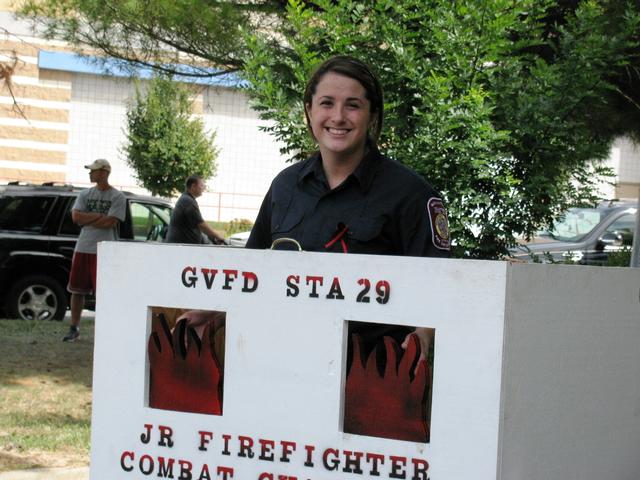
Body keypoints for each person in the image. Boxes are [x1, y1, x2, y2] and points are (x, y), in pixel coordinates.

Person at [246, 55, 451, 361]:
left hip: (373, 378)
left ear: (372, 115)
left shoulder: (411, 194)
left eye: (352, 105)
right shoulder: (285, 186)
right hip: (283, 364)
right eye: (326, 103)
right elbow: (249, 272)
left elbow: (440, 283)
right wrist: (212, 312)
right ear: (309, 110)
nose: (338, 117)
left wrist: (423, 337)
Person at [63, 158, 126, 342]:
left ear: (105, 172)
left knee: (105, 292)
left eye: (94, 170)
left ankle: (105, 330)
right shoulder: (84, 194)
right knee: (77, 289)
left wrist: (88, 218)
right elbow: (75, 217)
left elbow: (111, 221)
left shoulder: (117, 197)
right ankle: (74, 327)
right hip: (83, 247)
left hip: (105, 249)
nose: (90, 173)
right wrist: (99, 216)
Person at [165, 175, 225, 244]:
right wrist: (218, 236)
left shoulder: (187, 199)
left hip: (182, 247)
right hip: (181, 248)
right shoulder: (188, 202)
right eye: (202, 185)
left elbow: (198, 226)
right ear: (193, 186)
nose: (204, 188)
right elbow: (202, 225)